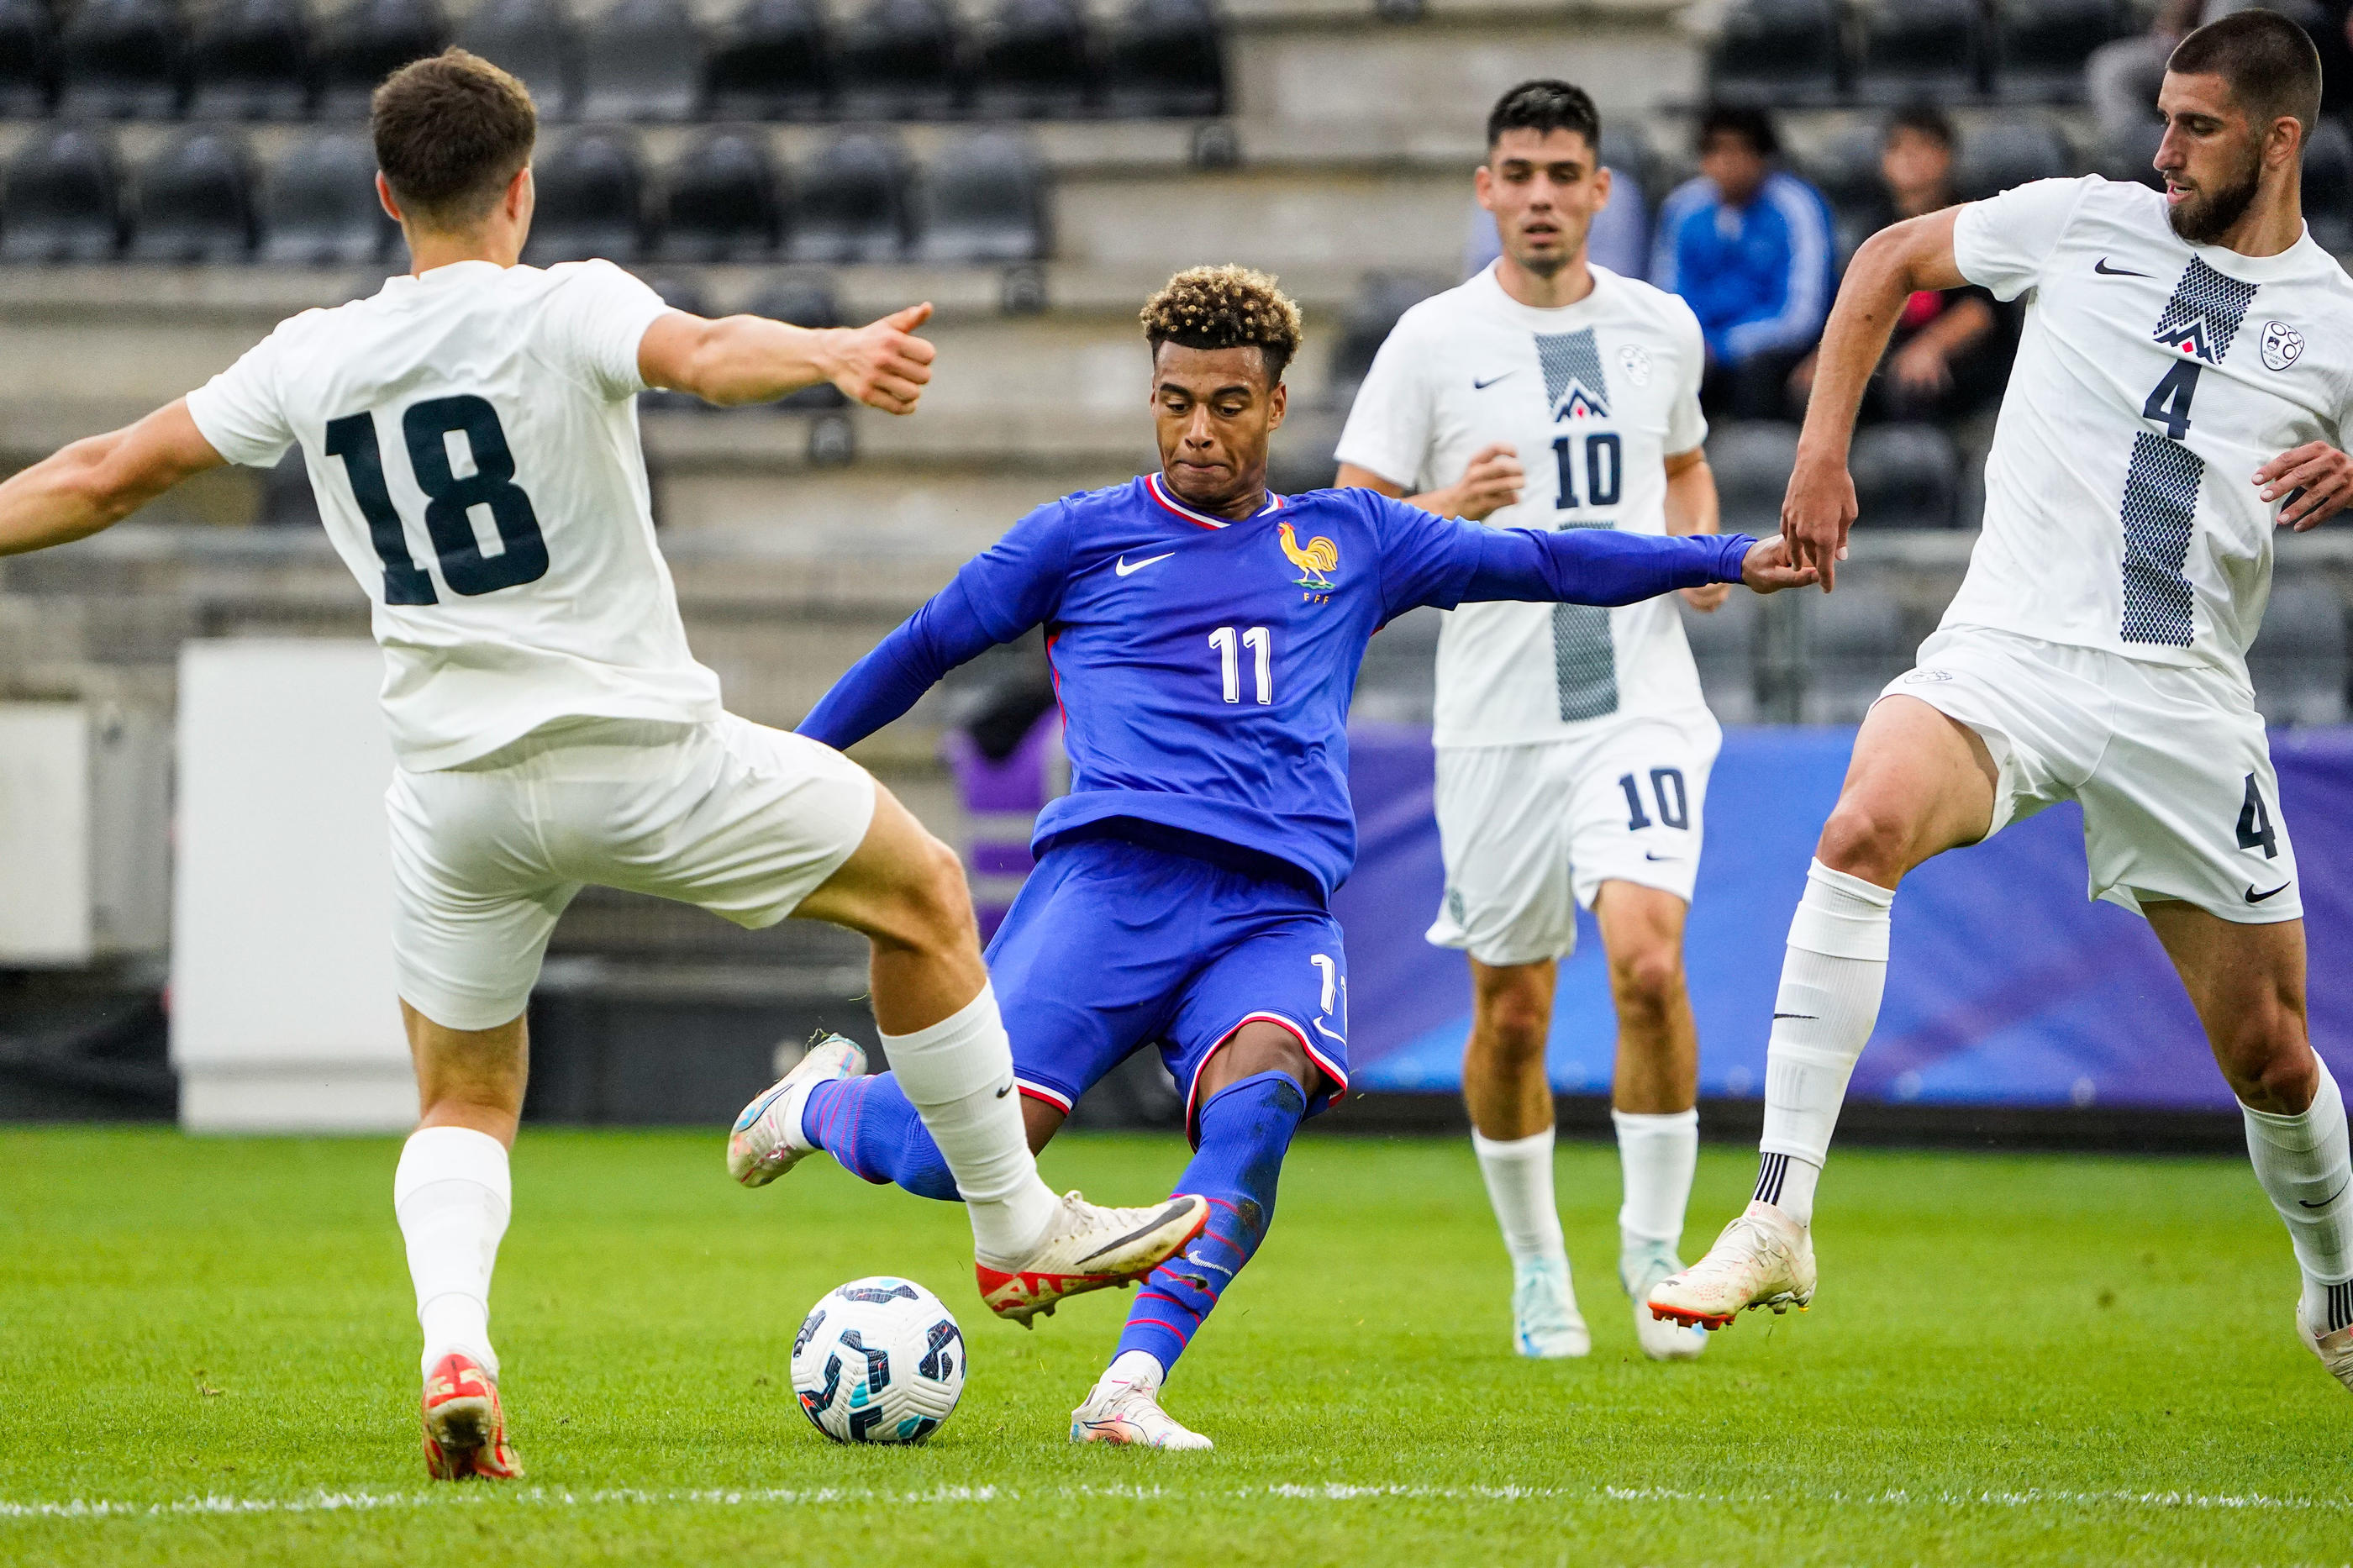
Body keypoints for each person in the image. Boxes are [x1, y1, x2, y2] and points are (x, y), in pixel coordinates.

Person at [0, 49, 1208, 1481]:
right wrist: (826, 354)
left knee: (461, 1098)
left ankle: (460, 1351)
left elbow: (102, 472)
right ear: (523, 188)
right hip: (645, 762)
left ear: (388, 195)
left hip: (455, 801)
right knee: (922, 891)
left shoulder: (310, 354)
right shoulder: (566, 301)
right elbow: (703, 354)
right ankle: (1012, 1224)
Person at [724, 264, 1817, 1447]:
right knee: (952, 1160)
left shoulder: (1352, 538)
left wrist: (1719, 556)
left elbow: (1546, 563)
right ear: (1154, 397)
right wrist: (787, 766)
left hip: (1273, 912)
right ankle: (822, 1102)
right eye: (1177, 399)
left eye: (1228, 403)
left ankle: (1128, 1387)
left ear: (1278, 405)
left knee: (1260, 1104)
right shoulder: (1080, 538)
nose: (1199, 427)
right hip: (1112, 886)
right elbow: (925, 646)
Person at [1649, 13, 2353, 1405]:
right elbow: (1885, 262)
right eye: (2162, 115)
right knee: (1860, 829)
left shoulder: (2334, 319)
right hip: (2009, 652)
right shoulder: (2082, 220)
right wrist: (1823, 453)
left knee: (2273, 1057)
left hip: (2182, 700)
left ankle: (2336, 1286)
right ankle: (1778, 1214)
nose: (2163, 149)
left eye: (2197, 127)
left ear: (2281, 141)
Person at [1332, 79, 1726, 1366]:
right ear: (1486, 188)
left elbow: (1680, 461)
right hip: (1497, 716)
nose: (1545, 195)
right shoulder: (1430, 342)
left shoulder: (1663, 327)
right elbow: (1347, 535)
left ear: (1603, 191)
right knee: (1509, 1013)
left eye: (1567, 173)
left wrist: (1699, 548)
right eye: (1521, 172)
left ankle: (1657, 1253)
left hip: (1640, 697)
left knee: (1650, 964)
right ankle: (1538, 1262)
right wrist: (1453, 499)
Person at [1789, 105, 2009, 425]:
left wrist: (1932, 346)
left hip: (1961, 357)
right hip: (1895, 351)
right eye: (1897, 147)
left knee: (1913, 383)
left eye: (1922, 146)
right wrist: (1828, 356)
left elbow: (1982, 310)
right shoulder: (1877, 229)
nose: (1909, 157)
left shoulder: (1971, 221)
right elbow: (1860, 305)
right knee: (1816, 389)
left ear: (1947, 156)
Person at [1650, 105, 1837, 420]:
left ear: (1764, 157)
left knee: (1756, 375)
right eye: (1716, 150)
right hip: (1701, 344)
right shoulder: (1683, 208)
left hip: (1772, 348)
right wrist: (1698, 340)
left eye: (1739, 151)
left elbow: (1802, 313)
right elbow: (1667, 296)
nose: (1728, 162)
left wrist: (1727, 345)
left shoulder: (1797, 207)